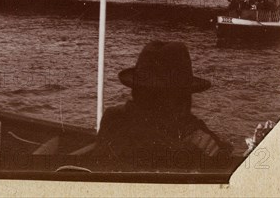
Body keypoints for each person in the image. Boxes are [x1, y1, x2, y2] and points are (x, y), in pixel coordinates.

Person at [93, 41, 232, 168]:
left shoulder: (113, 118)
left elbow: (214, 144)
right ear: (178, 97)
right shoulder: (123, 126)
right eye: (182, 96)